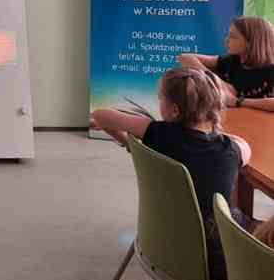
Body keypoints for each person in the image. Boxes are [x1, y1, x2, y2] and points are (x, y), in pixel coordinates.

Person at [91, 67, 253, 280]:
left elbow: (101, 116)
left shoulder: (158, 134)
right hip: (218, 258)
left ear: (175, 111)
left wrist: (129, 144)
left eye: (160, 99)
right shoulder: (229, 150)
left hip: (162, 239)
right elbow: (246, 148)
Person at [178, 16, 274, 111]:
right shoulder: (231, 61)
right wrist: (217, 81)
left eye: (233, 37)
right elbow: (185, 57)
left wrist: (237, 101)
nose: (226, 41)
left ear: (252, 42)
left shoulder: (271, 70)